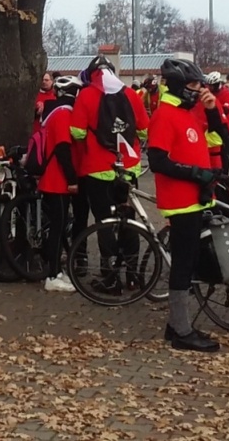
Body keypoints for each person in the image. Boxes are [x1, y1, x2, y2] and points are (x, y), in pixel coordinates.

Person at [148, 58, 221, 353]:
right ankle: (181, 332)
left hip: (197, 199)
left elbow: (217, 141)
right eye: (193, 85)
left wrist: (213, 111)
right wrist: (194, 173)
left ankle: (176, 325)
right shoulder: (165, 115)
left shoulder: (188, 113)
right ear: (178, 86)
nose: (199, 90)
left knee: (190, 263)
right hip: (180, 204)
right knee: (182, 266)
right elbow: (157, 161)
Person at [70, 55, 149, 293]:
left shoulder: (86, 95)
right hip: (128, 167)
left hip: (98, 168)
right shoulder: (131, 95)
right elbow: (145, 131)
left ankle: (110, 276)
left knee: (104, 221)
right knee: (128, 219)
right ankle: (133, 275)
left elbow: (76, 132)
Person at [38, 75, 83, 292]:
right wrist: (72, 179)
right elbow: (63, 149)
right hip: (58, 180)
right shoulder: (63, 114)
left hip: (54, 178)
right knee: (57, 228)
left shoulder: (54, 113)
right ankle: (52, 275)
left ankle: (55, 270)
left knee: (58, 227)